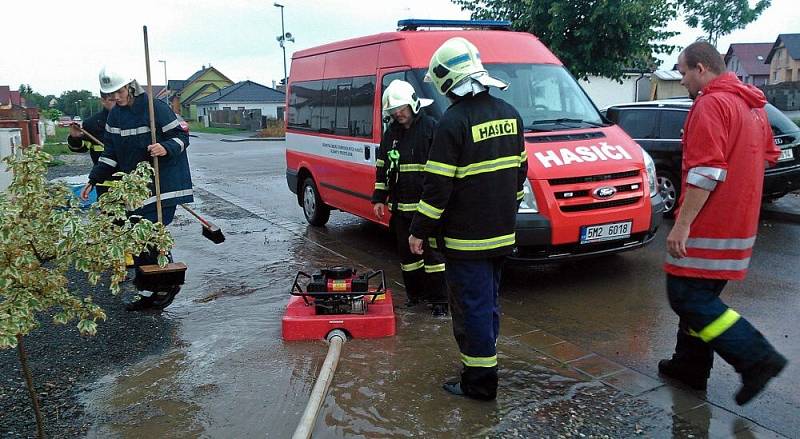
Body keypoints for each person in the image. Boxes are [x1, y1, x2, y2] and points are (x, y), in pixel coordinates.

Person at [659, 41, 786, 406]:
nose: (681, 81)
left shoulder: (712, 103)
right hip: (737, 226)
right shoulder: (753, 105)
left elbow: (705, 173)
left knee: (687, 297)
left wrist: (682, 225)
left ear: (701, 69)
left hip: (707, 227)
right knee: (701, 298)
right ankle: (690, 367)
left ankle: (757, 359)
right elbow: (766, 158)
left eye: (683, 72)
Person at [408, 37, 527, 400]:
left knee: (470, 310)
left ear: (448, 79)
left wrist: (418, 231)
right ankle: (485, 364)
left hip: (465, 241)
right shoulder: (511, 114)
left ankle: (479, 383)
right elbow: (519, 178)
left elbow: (437, 189)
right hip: (503, 236)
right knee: (487, 304)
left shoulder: (452, 122)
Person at [81, 66, 193, 311]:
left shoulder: (155, 109)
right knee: (138, 235)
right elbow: (110, 154)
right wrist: (93, 179)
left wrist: (165, 147)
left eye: (118, 93)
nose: (114, 99)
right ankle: (152, 289)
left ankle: (163, 288)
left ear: (130, 87)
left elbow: (181, 138)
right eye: (110, 95)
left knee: (146, 235)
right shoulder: (115, 117)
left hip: (164, 184)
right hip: (137, 188)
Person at [372, 79, 448, 317]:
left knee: (433, 257)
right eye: (394, 111)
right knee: (408, 257)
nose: (398, 113)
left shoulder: (431, 129)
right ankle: (416, 296)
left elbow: (441, 172)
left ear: (413, 105)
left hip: (427, 209)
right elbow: (383, 166)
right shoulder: (391, 133)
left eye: (402, 109)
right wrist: (378, 197)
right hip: (401, 209)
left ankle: (440, 302)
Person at [67, 91, 116, 196]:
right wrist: (75, 138)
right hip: (104, 182)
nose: (116, 103)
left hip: (131, 182)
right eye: (111, 100)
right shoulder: (92, 124)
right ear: (103, 101)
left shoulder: (132, 120)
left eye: (117, 99)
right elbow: (82, 148)